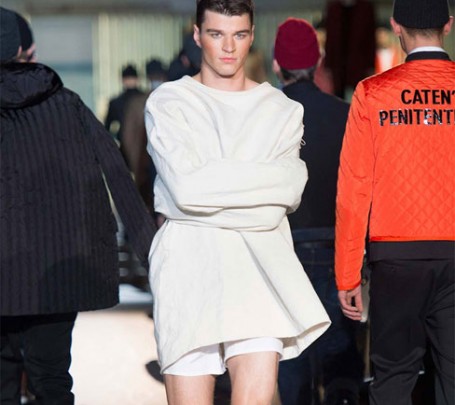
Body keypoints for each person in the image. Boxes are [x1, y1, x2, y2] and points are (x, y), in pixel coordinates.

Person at [145, 0, 331, 404]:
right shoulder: (169, 103)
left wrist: (204, 191)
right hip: (187, 272)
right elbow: (186, 189)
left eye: (239, 35)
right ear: (198, 36)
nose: (228, 47)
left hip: (260, 272)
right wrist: (258, 191)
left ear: (252, 37)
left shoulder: (282, 110)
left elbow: (287, 194)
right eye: (216, 34)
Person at [0, 7, 156, 404]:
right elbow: (117, 172)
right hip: (55, 271)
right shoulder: (66, 104)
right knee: (51, 377)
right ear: (22, 49)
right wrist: (152, 252)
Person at [335, 0, 455, 404]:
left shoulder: (373, 94)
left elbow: (354, 190)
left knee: (393, 378)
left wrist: (347, 275)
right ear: (448, 26)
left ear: (395, 26)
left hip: (395, 260)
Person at [272, 17, 364, 405]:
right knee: (340, 358)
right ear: (319, 60)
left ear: (276, 63)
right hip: (336, 252)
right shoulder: (348, 115)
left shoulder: (264, 117)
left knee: (292, 362)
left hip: (280, 252)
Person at [324, 0, 376, 99]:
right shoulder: (333, 9)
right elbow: (330, 39)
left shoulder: (366, 8)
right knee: (338, 96)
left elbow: (370, 40)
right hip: (338, 64)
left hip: (359, 63)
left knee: (360, 96)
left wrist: (371, 65)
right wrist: (328, 64)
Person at [104, 63, 145, 162]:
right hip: (144, 147)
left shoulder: (116, 102)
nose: (130, 81)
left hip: (125, 147)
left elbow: (107, 128)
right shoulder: (147, 99)